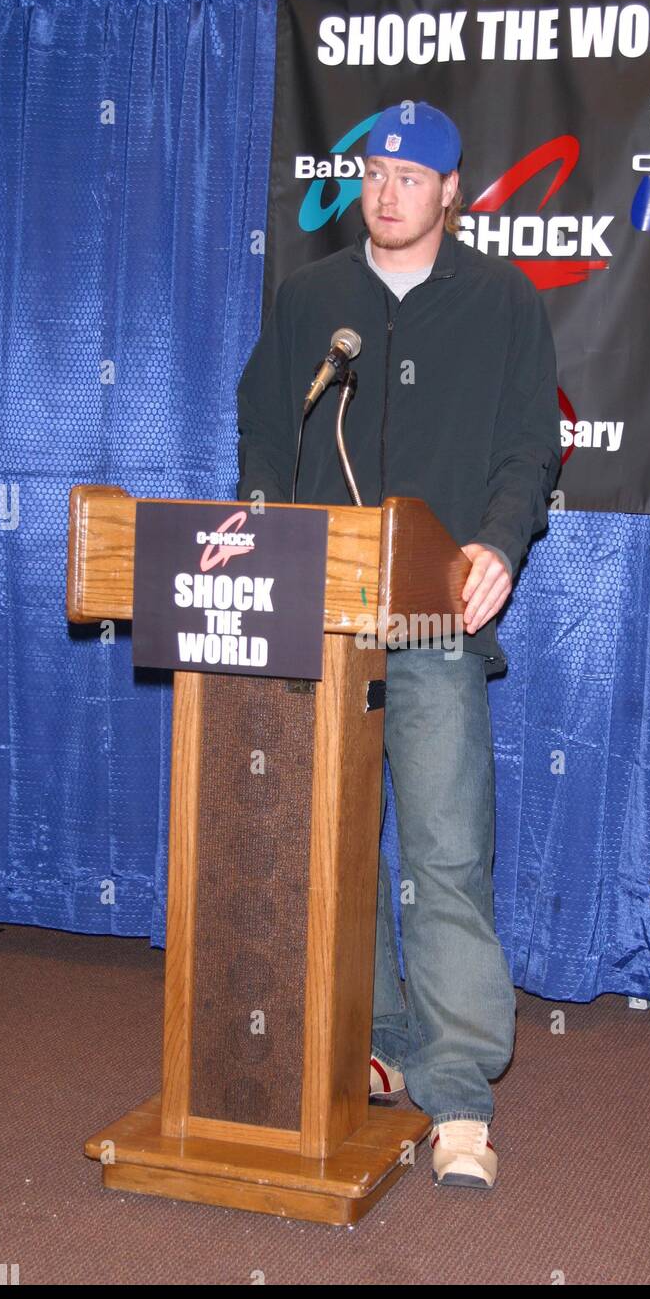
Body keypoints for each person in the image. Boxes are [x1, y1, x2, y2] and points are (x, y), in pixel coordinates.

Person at [237, 100, 560, 1189]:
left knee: (444, 847)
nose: (386, 189)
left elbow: (530, 445)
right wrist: (260, 527)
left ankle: (459, 1087)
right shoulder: (308, 301)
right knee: (330, 842)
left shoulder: (502, 302)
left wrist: (498, 541)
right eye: (374, 169)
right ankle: (373, 1040)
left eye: (411, 175)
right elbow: (259, 429)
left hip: (428, 611)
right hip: (319, 612)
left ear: (450, 191)